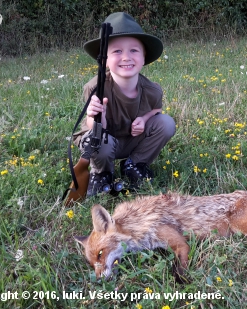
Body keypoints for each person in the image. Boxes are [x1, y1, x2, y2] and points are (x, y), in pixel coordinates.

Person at [74, 12, 175, 196]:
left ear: (144, 58)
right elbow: (94, 127)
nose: (126, 57)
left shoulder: (152, 89)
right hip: (103, 141)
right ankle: (101, 174)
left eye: (134, 50)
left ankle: (134, 164)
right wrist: (97, 117)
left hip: (130, 140)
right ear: (104, 59)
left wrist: (144, 119)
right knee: (98, 138)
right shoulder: (95, 87)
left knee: (166, 123)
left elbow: (156, 110)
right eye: (117, 51)